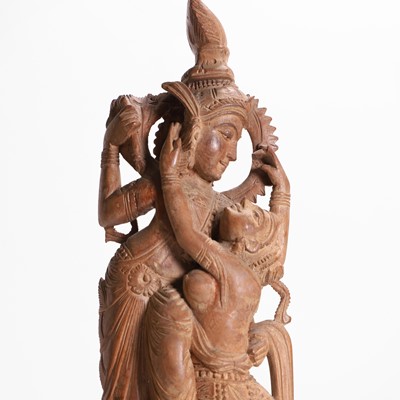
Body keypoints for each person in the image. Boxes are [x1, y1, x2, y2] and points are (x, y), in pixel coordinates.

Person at [97, 1, 279, 399]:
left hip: (186, 310)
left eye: (238, 141)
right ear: (194, 130)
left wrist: (278, 193)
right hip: (138, 285)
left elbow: (257, 247)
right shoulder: (166, 181)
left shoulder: (214, 202)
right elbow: (108, 214)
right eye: (226, 135)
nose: (233, 154)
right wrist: (111, 149)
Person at [142, 122, 290, 400]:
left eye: (255, 216)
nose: (247, 204)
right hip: (218, 383)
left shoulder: (234, 273)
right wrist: (283, 193)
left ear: (250, 244)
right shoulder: (243, 276)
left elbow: (186, 235)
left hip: (217, 386)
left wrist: (169, 176)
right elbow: (278, 251)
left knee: (167, 303)